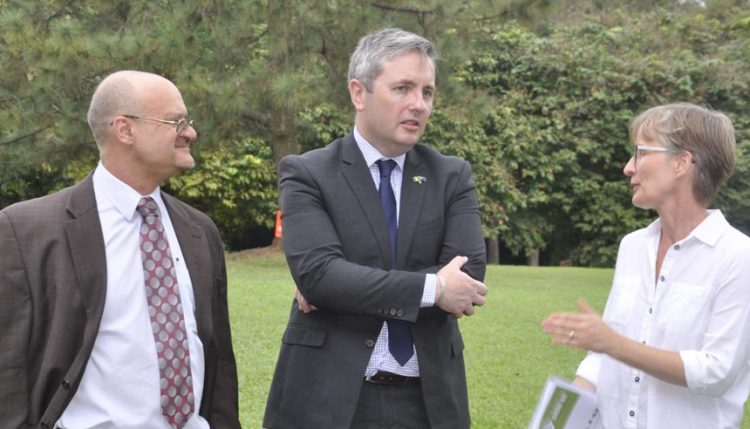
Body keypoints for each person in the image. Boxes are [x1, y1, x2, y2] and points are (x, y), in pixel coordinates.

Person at [263, 28, 488, 429]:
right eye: (402, 88)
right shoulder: (308, 173)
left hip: (429, 402)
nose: (418, 104)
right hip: (326, 400)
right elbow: (319, 275)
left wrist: (345, 285)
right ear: (358, 93)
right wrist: (433, 288)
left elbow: (468, 275)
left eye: (428, 92)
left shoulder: (451, 175)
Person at [0, 71, 240, 429]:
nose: (189, 132)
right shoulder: (27, 230)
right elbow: (9, 368)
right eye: (176, 121)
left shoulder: (198, 230)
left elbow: (219, 361)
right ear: (125, 130)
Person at [542, 103, 750, 428]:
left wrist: (613, 344)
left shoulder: (738, 257)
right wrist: (561, 421)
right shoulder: (633, 247)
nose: (628, 167)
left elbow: (716, 371)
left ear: (682, 161)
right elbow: (605, 351)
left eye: (640, 153)